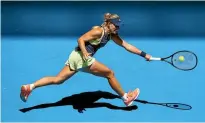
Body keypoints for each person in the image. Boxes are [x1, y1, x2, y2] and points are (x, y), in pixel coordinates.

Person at [20, 13, 151, 106]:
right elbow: (81, 39)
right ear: (109, 24)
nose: (118, 28)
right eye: (115, 25)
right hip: (83, 57)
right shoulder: (99, 31)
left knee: (57, 80)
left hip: (75, 56)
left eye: (119, 25)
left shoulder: (112, 35)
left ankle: (30, 87)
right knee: (110, 74)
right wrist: (85, 53)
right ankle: (126, 98)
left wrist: (144, 54)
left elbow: (126, 45)